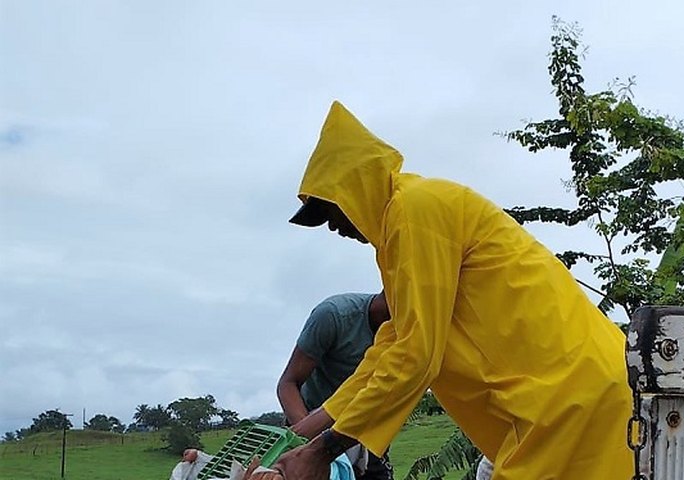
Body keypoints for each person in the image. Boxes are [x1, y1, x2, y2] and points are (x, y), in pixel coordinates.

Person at [260, 101, 634, 480]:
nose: (331, 226)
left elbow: (415, 356)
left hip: (568, 399)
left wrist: (324, 451)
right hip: (557, 402)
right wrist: (306, 438)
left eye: (330, 210)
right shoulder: (399, 236)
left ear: (355, 189)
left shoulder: (415, 210)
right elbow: (388, 350)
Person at [276, 292, 393, 480]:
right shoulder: (334, 316)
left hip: (360, 436)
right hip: (307, 425)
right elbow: (288, 384)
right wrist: (308, 446)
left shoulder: (410, 336)